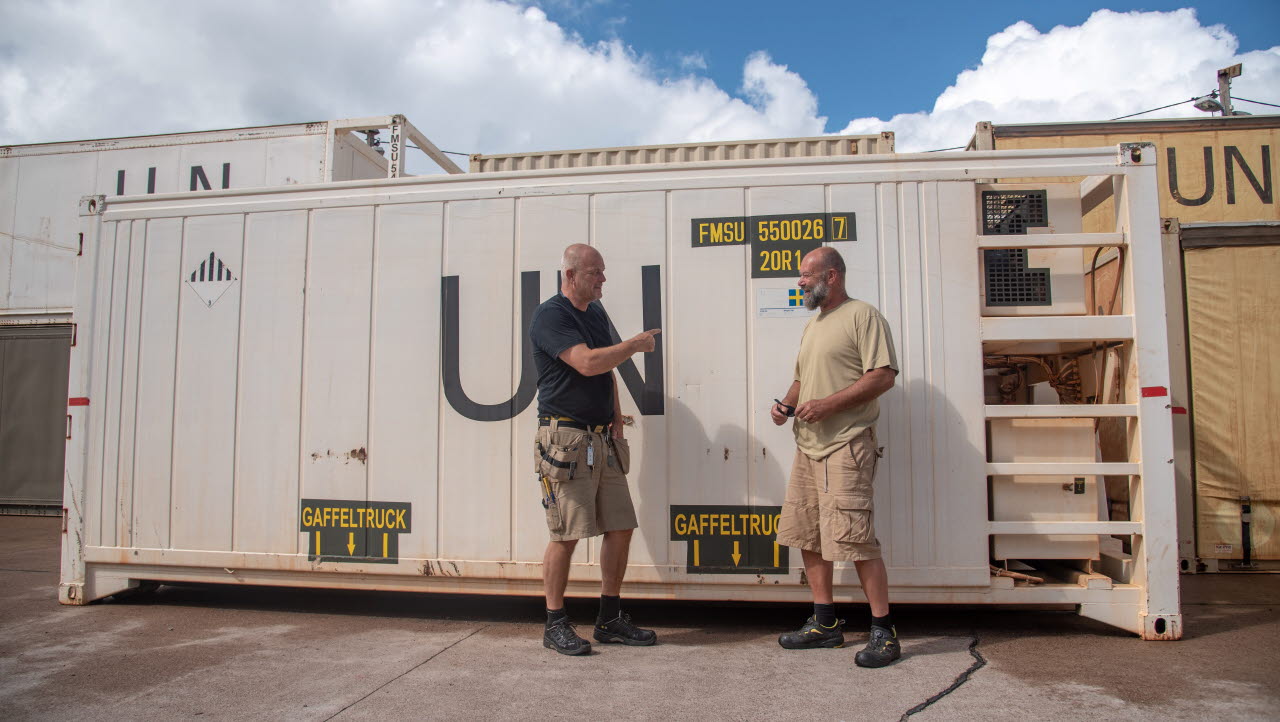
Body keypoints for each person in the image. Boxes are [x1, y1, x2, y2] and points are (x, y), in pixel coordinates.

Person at [770, 246, 902, 668]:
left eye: (806, 275)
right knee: (807, 535)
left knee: (857, 539)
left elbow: (882, 375)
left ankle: (884, 632)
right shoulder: (814, 323)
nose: (800, 282)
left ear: (832, 276)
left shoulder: (863, 316)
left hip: (846, 443)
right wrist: (786, 405)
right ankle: (825, 624)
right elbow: (801, 378)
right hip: (808, 446)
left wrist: (828, 405)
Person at [529, 243, 662, 655]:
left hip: (602, 438)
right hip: (566, 440)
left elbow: (606, 373)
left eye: (603, 271)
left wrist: (618, 420)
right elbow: (587, 362)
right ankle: (555, 624)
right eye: (594, 273)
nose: (602, 279)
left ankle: (609, 619)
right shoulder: (551, 315)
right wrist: (634, 346)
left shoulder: (597, 312)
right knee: (566, 534)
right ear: (570, 275)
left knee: (620, 527)